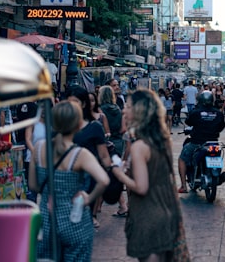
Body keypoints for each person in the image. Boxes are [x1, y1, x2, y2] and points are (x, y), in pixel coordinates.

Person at [111, 89, 189, 262]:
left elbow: (141, 186)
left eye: (129, 107)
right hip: (165, 211)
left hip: (149, 215)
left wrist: (118, 173)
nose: (124, 110)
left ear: (139, 111)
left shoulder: (139, 146)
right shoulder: (160, 140)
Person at [29, 100, 109, 261]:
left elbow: (33, 185)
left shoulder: (38, 148)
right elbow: (104, 180)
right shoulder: (80, 154)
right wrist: (88, 199)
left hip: (46, 221)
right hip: (75, 220)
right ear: (78, 124)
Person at [66, 85, 112, 229]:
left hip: (87, 179)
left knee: (80, 217)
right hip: (65, 177)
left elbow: (104, 156)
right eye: (69, 103)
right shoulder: (61, 126)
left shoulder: (94, 127)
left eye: (75, 102)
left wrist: (111, 173)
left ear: (83, 104)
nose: (72, 107)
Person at [178, 91, 225, 193]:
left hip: (197, 143)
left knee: (182, 159)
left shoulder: (195, 112)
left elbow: (188, 122)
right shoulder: (218, 113)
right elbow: (221, 127)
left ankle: (183, 186)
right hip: (214, 143)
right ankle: (217, 173)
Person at [98, 85, 128, 217]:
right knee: (112, 173)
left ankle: (122, 205)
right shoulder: (118, 109)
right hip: (118, 143)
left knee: (105, 173)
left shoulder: (101, 111)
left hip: (105, 143)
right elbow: (123, 129)